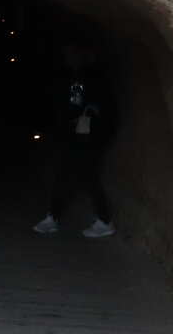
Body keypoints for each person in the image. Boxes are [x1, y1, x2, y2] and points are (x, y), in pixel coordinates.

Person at [33, 43, 117, 238]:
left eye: (72, 54)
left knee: (87, 177)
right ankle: (53, 217)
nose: (68, 58)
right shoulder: (75, 77)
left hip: (89, 137)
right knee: (66, 175)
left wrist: (94, 127)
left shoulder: (92, 79)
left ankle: (104, 220)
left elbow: (97, 108)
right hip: (76, 136)